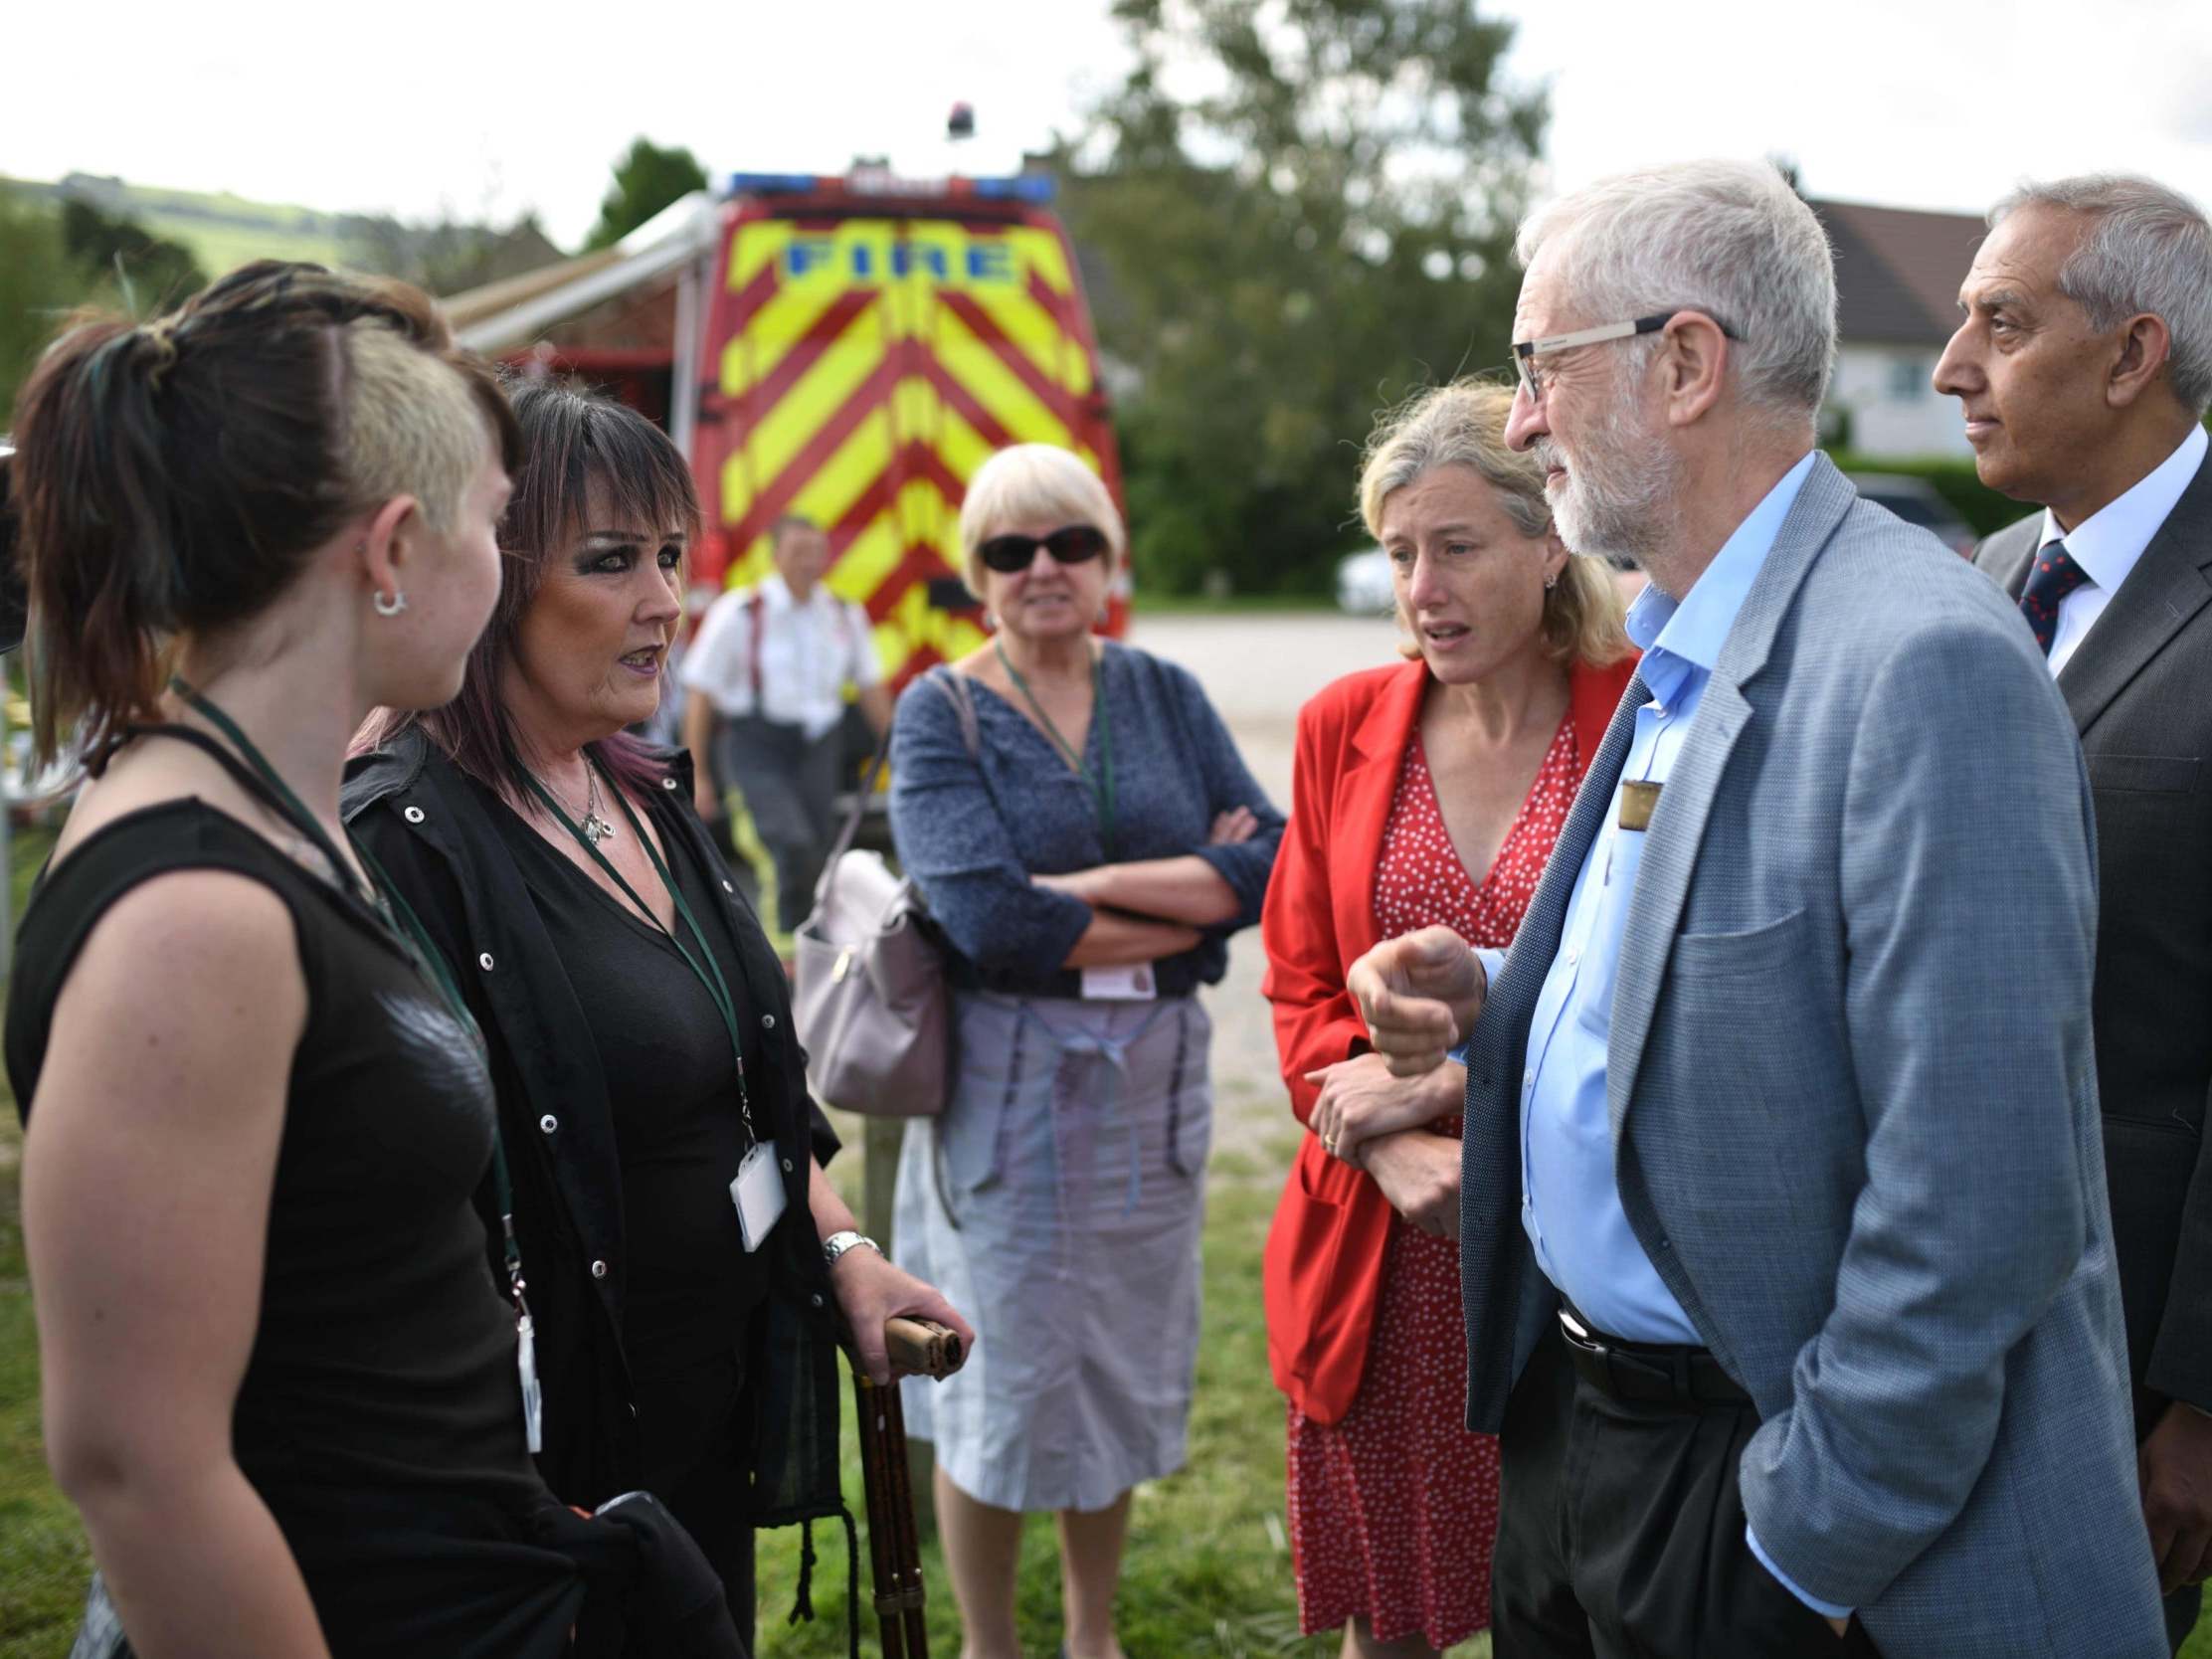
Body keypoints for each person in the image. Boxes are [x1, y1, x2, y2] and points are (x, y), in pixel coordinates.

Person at [1348, 159, 2168, 1657]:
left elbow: (1981, 1201)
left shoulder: (1923, 661)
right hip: (1579, 1448)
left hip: (1757, 1497)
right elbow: (1722, 956)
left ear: (1683, 365)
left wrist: (1805, 1539)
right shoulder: (1683, 633)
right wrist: (1502, 984)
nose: (1521, 422)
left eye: (1541, 368)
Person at [4, 263, 741, 1657]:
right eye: (488, 523)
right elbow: (138, 1467)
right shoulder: (193, 915)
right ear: (397, 552)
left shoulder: (268, 819)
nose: (497, 560)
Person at [347, 381, 972, 1641]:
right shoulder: (399, 840)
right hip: (544, 1473)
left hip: (702, 1419)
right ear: (489, 576)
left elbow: (753, 1097)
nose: (663, 599)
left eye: (672, 557)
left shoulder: (643, 794)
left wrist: (841, 1248)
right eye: (611, 561)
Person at [887, 443, 1282, 1659]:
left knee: (1111, 1360)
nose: (1043, 568)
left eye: (1070, 543)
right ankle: (992, 1642)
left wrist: (1084, 887)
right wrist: (1187, 892)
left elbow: (1267, 864)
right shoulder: (938, 710)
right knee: (1000, 1376)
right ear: (978, 577)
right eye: (1010, 551)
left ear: (1110, 559)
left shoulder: (1161, 688)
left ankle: (1093, 1636)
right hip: (1007, 1087)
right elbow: (985, 919)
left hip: (1149, 1077)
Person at [1259, 380, 1633, 1658]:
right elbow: (1300, 985)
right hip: (1384, 1258)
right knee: (1395, 1624)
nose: (1423, 586)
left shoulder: (1644, 714)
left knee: (1573, 1613)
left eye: (1458, 546)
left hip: (1569, 1252)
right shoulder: (1342, 726)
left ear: (1550, 541)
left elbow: (1646, 1000)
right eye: (1400, 551)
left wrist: (1434, 1097)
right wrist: (1382, 1146)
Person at [1935, 173, 2212, 1653]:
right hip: (1941, 1313)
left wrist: (2207, 1404)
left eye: (2001, 323)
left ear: (2131, 354)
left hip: (2136, 1351)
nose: (1949, 370)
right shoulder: (1988, 579)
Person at [680, 513, 891, 937]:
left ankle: (810, 951)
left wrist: (900, 753)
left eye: (816, 552)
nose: (809, 562)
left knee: (816, 851)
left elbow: (870, 688)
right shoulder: (739, 612)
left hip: (819, 749)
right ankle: (782, 957)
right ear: (775, 556)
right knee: (785, 848)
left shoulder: (842, 613)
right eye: (798, 552)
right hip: (758, 748)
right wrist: (699, 774)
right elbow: (700, 696)